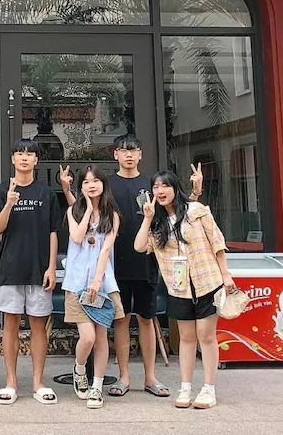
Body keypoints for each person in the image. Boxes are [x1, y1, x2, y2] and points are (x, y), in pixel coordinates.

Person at [59, 134, 203, 398]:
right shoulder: (107, 184)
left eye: (133, 150)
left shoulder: (150, 184)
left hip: (146, 259)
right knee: (121, 320)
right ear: (115, 154)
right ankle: (124, 377)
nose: (128, 155)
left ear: (140, 154)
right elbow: (83, 211)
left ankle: (150, 377)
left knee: (147, 318)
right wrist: (68, 191)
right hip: (113, 265)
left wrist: (194, 193)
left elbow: (173, 208)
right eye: (123, 150)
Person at [134, 170, 234, 411]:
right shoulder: (156, 223)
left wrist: (225, 274)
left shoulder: (196, 211)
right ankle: (186, 387)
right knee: (186, 338)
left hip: (207, 281)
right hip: (179, 287)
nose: (160, 191)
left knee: (206, 336)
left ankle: (209, 388)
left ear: (175, 188)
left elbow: (217, 242)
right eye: (155, 187)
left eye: (165, 186)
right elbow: (139, 246)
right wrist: (147, 218)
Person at [0, 138, 61, 406]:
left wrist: (51, 267)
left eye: (29, 154)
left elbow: (53, 232)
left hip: (39, 269)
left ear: (36, 160)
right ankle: (11, 382)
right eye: (19, 153)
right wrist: (9, 203)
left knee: (38, 325)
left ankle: (38, 383)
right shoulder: (0, 191)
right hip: (10, 268)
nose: (24, 158)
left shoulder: (46, 193)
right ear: (12, 159)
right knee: (10, 324)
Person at [62, 166, 123, 410]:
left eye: (96, 180)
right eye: (86, 182)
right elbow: (77, 238)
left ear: (103, 184)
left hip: (103, 283)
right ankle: (79, 370)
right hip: (77, 283)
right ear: (80, 187)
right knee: (87, 337)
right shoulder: (73, 211)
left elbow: (106, 249)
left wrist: (97, 280)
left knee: (101, 337)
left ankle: (97, 386)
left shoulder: (112, 215)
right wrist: (87, 209)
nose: (91, 185)